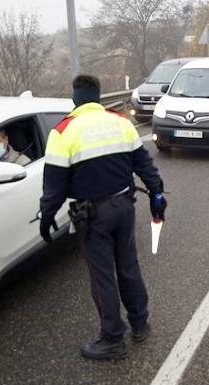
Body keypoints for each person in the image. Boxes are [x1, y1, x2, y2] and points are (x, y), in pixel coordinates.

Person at [39, 74, 167, 360]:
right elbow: (145, 166)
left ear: (74, 98)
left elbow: (54, 186)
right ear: (98, 96)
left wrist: (46, 218)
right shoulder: (121, 122)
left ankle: (112, 339)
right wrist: (158, 195)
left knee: (102, 276)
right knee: (128, 266)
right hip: (124, 206)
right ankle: (139, 323)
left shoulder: (62, 132)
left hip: (93, 214)